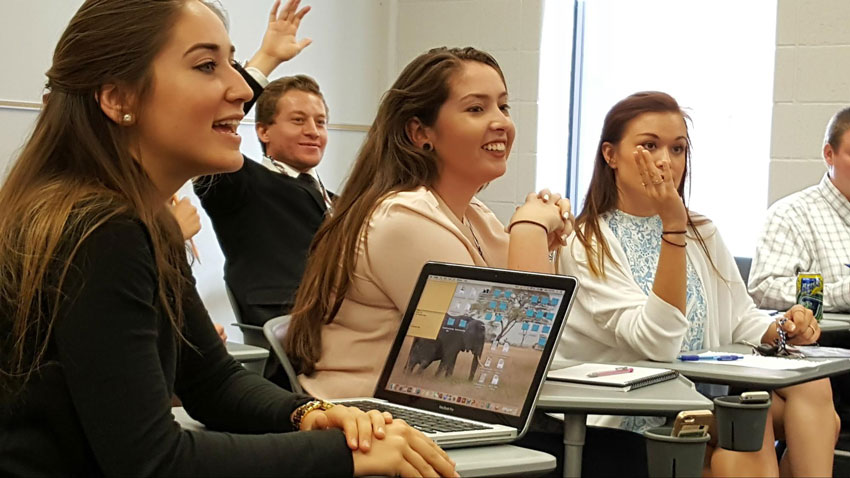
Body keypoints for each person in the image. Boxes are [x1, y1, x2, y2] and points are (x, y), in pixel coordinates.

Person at [0, 1, 457, 476]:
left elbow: (213, 381)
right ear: (119, 99)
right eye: (206, 66)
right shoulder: (101, 230)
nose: (241, 88)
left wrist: (308, 415)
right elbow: (153, 464)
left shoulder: (137, 219)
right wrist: (347, 455)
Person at [555, 91, 839, 477]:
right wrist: (672, 228)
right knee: (746, 445)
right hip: (630, 414)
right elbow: (658, 344)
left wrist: (785, 328)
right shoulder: (588, 242)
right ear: (610, 155)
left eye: (677, 149)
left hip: (701, 400)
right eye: (649, 146)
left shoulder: (702, 230)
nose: (664, 162)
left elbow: (740, 318)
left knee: (812, 388)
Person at [285, 46, 573, 400]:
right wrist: (530, 230)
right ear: (420, 132)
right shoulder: (403, 220)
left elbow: (529, 323)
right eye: (476, 108)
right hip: (369, 425)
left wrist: (541, 244)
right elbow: (513, 365)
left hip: (424, 417)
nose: (501, 122)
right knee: (617, 453)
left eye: (503, 106)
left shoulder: (472, 215)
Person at [195, 73, 333, 328]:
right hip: (288, 335)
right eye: (298, 120)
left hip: (347, 326)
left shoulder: (340, 202)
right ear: (263, 130)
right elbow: (201, 130)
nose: (313, 131)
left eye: (321, 122)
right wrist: (265, 61)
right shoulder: (239, 183)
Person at [749, 106, 850, 312]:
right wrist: (840, 294)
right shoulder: (790, 215)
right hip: (826, 341)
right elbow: (764, 289)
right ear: (829, 155)